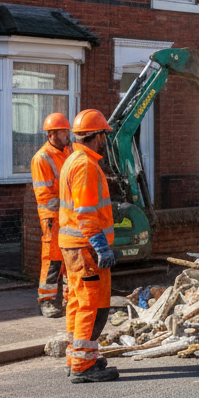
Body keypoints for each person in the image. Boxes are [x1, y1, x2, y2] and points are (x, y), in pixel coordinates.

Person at [58, 108, 123, 382]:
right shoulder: (85, 164)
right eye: (104, 136)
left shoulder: (72, 160)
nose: (105, 142)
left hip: (73, 247)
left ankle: (78, 357)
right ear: (96, 137)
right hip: (85, 248)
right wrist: (101, 246)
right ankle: (83, 367)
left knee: (76, 301)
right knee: (91, 305)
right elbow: (85, 212)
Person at [30, 113, 72, 319]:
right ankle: (46, 301)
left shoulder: (66, 152)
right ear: (52, 134)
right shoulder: (42, 158)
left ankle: (67, 299)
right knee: (52, 260)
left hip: (66, 216)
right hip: (52, 217)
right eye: (65, 131)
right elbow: (46, 197)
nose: (68, 135)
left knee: (68, 258)